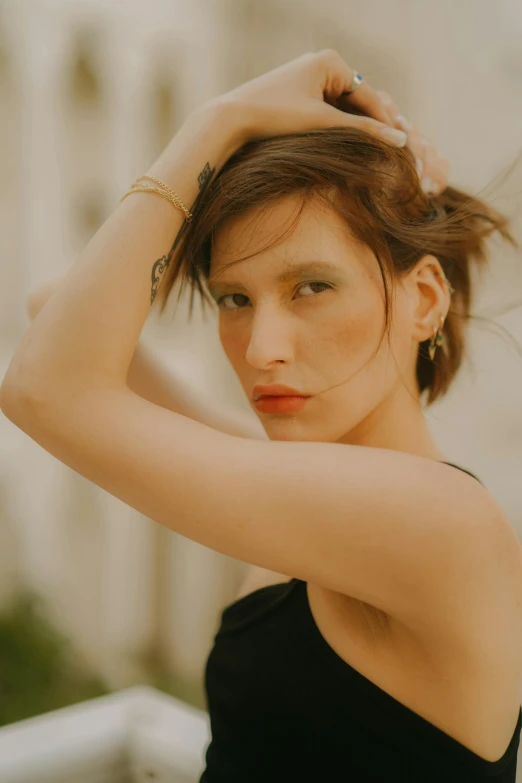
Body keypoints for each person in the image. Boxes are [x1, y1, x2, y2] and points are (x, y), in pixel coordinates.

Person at [2, 50, 521, 782]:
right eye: (234, 299)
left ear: (425, 299)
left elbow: (44, 384)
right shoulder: (299, 483)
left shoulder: (442, 525)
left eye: (311, 286)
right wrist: (242, 167)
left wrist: (219, 124)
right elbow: (54, 308)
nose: (262, 350)